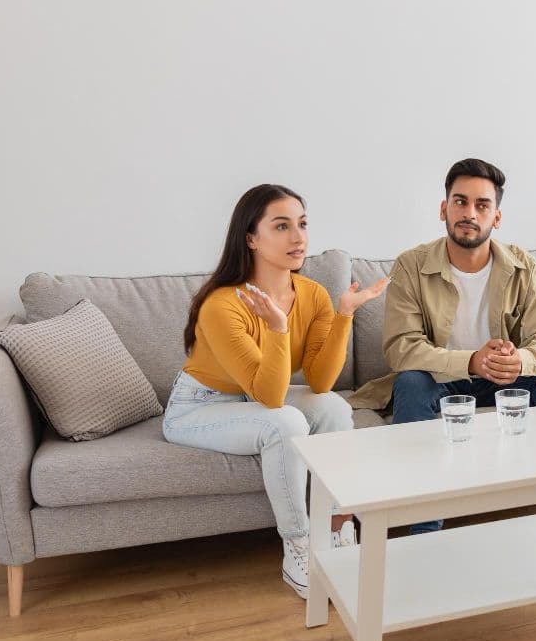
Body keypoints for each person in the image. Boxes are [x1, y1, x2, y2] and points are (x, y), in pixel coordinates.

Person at [163, 184, 387, 599]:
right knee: (283, 421)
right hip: (198, 407)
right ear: (251, 238)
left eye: (301, 224)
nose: (298, 237)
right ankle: (298, 545)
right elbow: (269, 396)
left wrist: (343, 316)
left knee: (336, 409)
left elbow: (320, 383)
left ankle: (340, 528)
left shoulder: (313, 295)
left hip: (256, 399)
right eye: (281, 226)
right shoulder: (223, 304)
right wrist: (278, 328)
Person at [349, 158, 536, 534]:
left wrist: (519, 360)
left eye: (482, 205)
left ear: (497, 217)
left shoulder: (525, 267)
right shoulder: (411, 266)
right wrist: (472, 361)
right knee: (410, 382)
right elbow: (401, 348)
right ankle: (421, 528)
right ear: (444, 208)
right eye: (460, 202)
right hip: (445, 380)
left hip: (507, 381)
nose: (469, 213)